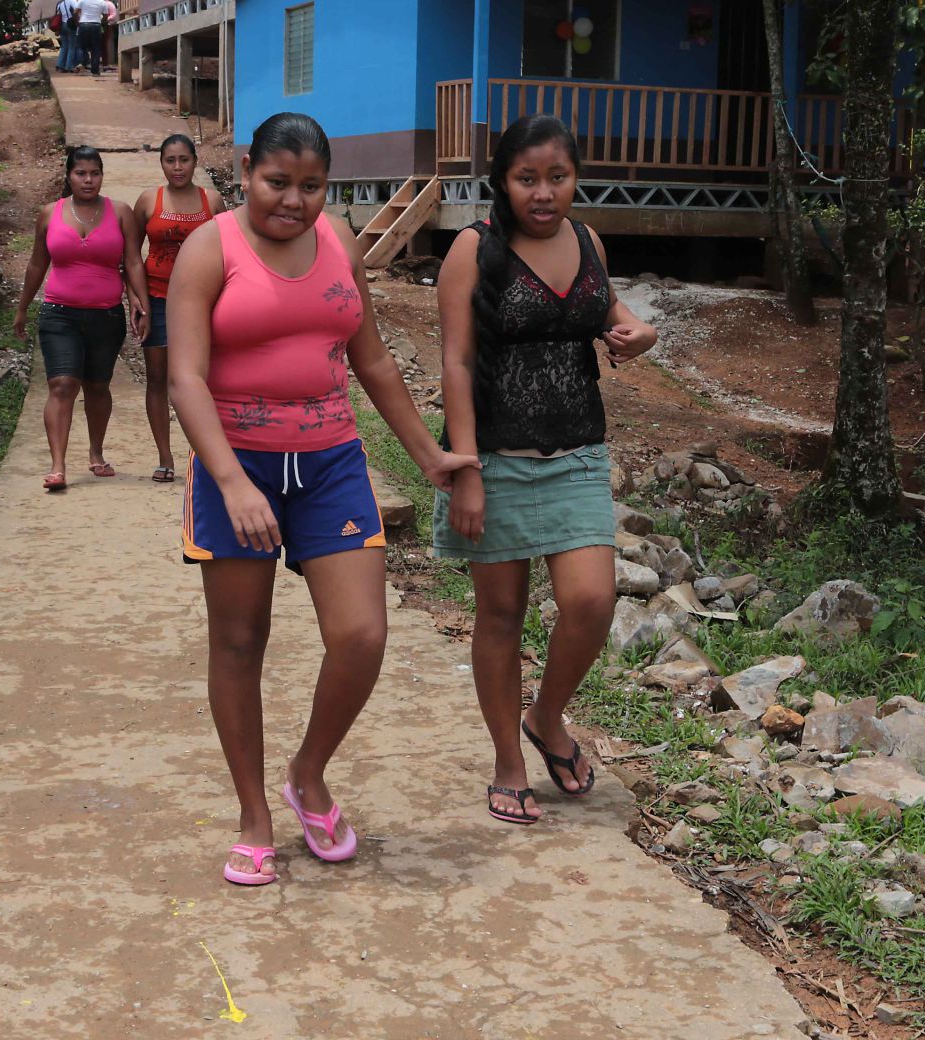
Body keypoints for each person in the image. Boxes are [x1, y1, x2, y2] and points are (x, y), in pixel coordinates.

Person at [168, 112, 478, 886]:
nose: (294, 202)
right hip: (235, 463)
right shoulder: (211, 249)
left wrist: (429, 455)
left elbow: (369, 358)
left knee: (363, 634)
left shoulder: (340, 245)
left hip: (331, 462)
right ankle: (253, 815)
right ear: (246, 170)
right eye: (279, 183)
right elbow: (185, 378)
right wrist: (232, 482)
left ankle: (308, 774)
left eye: (312, 187)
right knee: (240, 642)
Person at [432, 113, 658, 825]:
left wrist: (640, 331)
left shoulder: (587, 238)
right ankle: (508, 758)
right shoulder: (475, 250)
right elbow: (458, 363)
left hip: (578, 454)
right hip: (494, 458)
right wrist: (464, 469)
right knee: (501, 614)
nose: (543, 192)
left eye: (557, 177)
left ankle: (546, 716)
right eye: (527, 178)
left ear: (575, 179)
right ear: (502, 180)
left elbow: (608, 309)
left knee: (592, 601)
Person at [13, 146, 149, 491]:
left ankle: (96, 452)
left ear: (102, 175)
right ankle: (58, 465)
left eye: (95, 173)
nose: (88, 180)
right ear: (68, 176)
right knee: (62, 385)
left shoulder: (120, 213)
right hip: (59, 314)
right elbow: (36, 264)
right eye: (81, 173)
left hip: (106, 315)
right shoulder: (49, 214)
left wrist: (141, 306)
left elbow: (133, 262)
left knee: (98, 386)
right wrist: (22, 307)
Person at [131, 134, 225, 483]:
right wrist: (136, 299)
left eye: (184, 160)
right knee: (158, 379)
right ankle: (165, 457)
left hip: (204, 304)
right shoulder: (147, 201)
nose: (177, 167)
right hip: (157, 299)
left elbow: (227, 251)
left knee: (206, 379)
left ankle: (209, 455)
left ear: (195, 161)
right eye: (170, 160)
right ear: (161, 163)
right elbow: (131, 257)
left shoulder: (211, 202)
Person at [76, 0, 115, 77]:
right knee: (96, 48)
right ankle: (95, 70)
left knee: (81, 46)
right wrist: (100, 23)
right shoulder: (102, 2)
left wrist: (77, 22)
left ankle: (82, 64)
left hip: (83, 24)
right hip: (96, 25)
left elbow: (75, 12)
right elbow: (105, 16)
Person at [54, 0, 81, 73]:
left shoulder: (61, 3)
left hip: (62, 25)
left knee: (64, 46)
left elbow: (57, 14)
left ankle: (59, 65)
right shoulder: (73, 1)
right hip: (71, 25)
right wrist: (78, 23)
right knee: (72, 47)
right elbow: (76, 12)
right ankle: (69, 66)